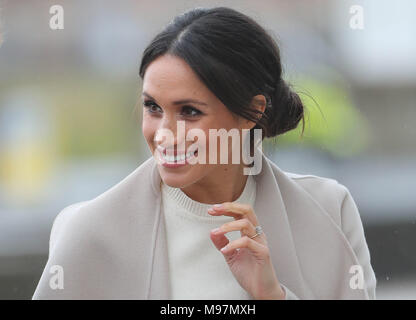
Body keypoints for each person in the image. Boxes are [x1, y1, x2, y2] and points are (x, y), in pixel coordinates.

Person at [33, 6, 376, 300]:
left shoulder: (331, 211)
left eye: (189, 112)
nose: (164, 134)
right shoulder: (87, 231)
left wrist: (273, 295)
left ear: (252, 113)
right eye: (153, 107)